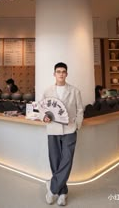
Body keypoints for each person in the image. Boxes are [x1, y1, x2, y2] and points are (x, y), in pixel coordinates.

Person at [41, 62, 83, 206]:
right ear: (54, 74)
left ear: (66, 74)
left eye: (63, 71)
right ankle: (62, 192)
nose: (61, 74)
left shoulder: (75, 91)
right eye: (58, 71)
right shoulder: (47, 91)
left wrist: (77, 125)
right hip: (52, 130)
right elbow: (43, 110)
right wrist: (44, 117)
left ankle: (52, 188)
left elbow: (80, 110)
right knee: (55, 160)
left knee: (67, 159)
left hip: (70, 130)